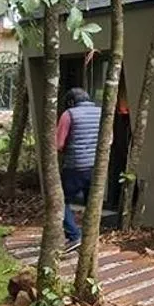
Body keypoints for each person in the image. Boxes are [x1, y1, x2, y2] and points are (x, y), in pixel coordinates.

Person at [56, 87, 100, 252]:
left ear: (71, 102)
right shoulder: (102, 112)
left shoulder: (69, 114)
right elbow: (108, 140)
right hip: (96, 167)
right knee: (92, 203)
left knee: (61, 200)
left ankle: (74, 236)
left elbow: (59, 144)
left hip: (75, 166)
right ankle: (91, 238)